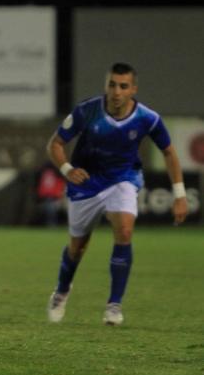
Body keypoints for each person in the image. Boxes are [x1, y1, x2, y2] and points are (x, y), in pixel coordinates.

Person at [46, 62, 188, 325]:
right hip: (85, 183)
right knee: (77, 247)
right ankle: (62, 291)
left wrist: (179, 194)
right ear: (106, 86)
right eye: (112, 84)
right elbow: (55, 144)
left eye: (123, 86)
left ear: (133, 89)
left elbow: (169, 152)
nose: (117, 91)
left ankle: (114, 305)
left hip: (122, 179)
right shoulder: (87, 111)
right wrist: (67, 169)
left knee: (124, 230)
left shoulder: (148, 118)